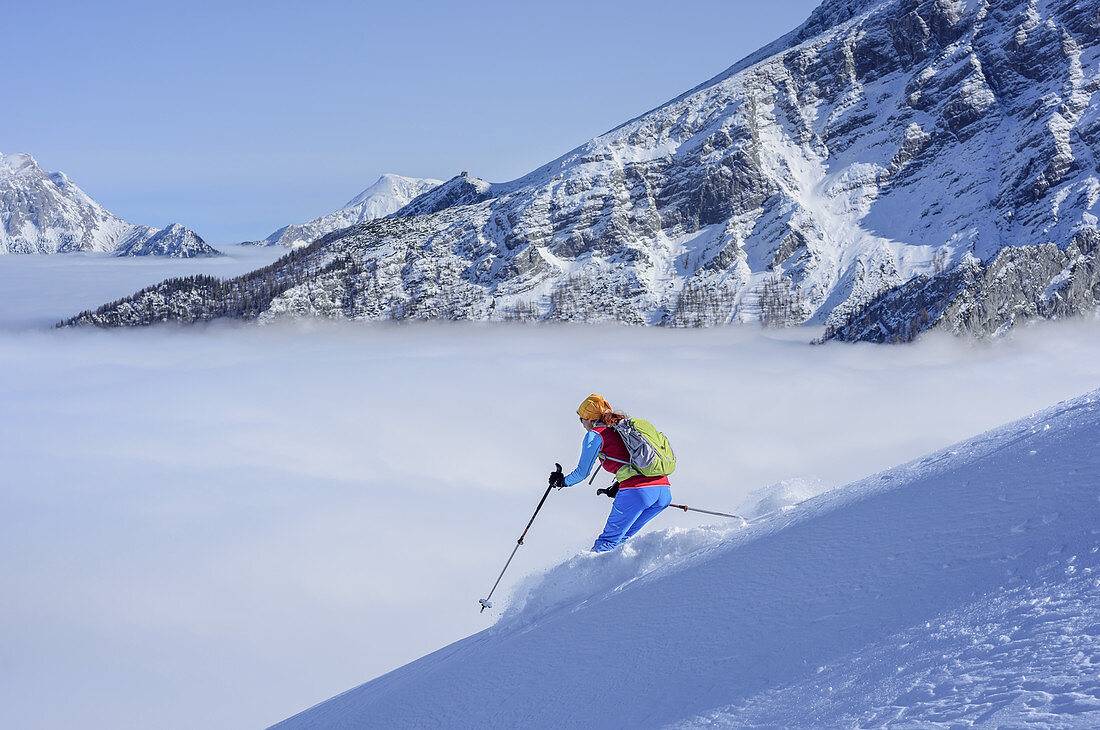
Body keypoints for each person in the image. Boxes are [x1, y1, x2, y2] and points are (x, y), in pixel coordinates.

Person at [549, 394, 672, 552]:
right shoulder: (622, 428)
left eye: (581, 419)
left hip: (637, 491)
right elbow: (631, 459)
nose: (582, 424)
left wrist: (562, 482)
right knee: (621, 540)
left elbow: (582, 472)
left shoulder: (595, 435)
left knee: (607, 543)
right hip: (663, 491)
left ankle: (588, 576)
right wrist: (619, 484)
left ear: (590, 418)